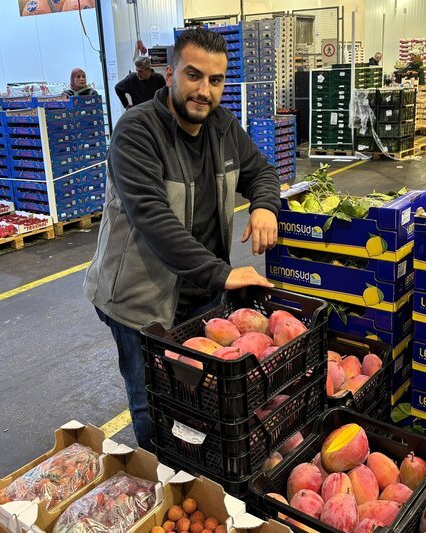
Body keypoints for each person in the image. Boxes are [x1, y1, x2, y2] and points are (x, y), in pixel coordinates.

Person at [84, 28, 280, 451]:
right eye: (194, 76)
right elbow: (155, 221)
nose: (204, 91)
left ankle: (196, 471)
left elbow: (261, 171)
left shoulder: (224, 127)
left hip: (204, 296)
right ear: (169, 74)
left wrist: (265, 205)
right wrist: (222, 274)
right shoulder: (136, 133)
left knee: (199, 398)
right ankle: (162, 484)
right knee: (152, 404)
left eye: (216, 80)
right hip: (140, 304)